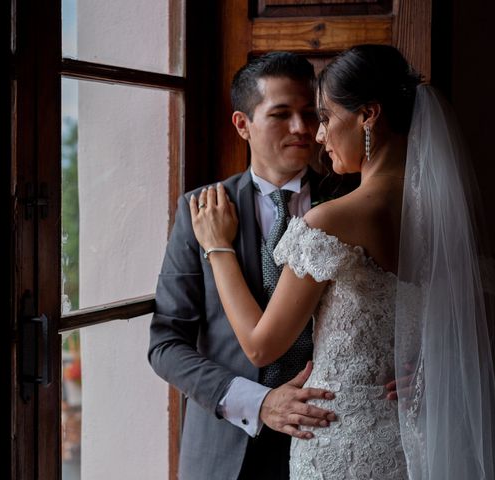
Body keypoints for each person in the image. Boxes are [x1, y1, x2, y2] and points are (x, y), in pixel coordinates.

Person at [189, 44, 495, 479]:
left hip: (339, 441)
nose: (318, 135)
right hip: (419, 441)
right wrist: (432, 368)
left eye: (327, 118)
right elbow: (476, 326)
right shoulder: (449, 219)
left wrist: (218, 248)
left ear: (368, 115)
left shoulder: (332, 220)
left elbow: (261, 345)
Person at [149, 52, 365, 480]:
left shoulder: (353, 202)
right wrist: (259, 402)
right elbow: (165, 345)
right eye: (281, 114)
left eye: (311, 113)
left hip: (334, 434)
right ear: (242, 124)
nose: (302, 129)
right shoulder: (199, 210)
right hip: (227, 447)